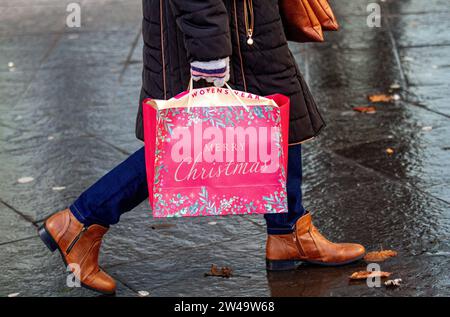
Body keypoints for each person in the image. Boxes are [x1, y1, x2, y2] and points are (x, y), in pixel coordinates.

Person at [38, 0, 365, 295]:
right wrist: (209, 47)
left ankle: (289, 231)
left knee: (279, 116)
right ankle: (80, 221)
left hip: (244, 23)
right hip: (216, 28)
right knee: (181, 144)